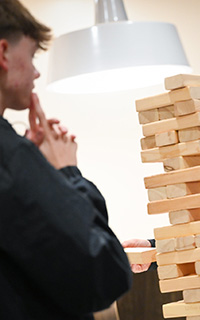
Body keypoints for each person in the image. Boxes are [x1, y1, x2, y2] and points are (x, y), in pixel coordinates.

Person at [0, 0, 132, 319]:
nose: (36, 71)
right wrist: (66, 174)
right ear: (3, 53)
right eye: (31, 56)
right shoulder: (11, 156)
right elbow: (104, 273)